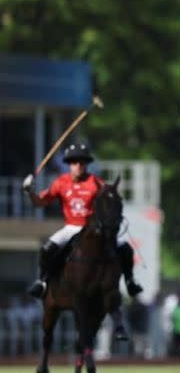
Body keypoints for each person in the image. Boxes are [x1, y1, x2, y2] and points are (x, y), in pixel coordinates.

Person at [22, 142, 142, 339]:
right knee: (47, 248)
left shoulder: (96, 183)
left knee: (125, 248)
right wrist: (29, 191)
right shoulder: (60, 183)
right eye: (75, 162)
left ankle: (129, 281)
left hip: (93, 228)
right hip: (71, 227)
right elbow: (41, 202)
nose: (80, 165)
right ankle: (42, 282)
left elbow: (110, 194)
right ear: (69, 164)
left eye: (83, 162)